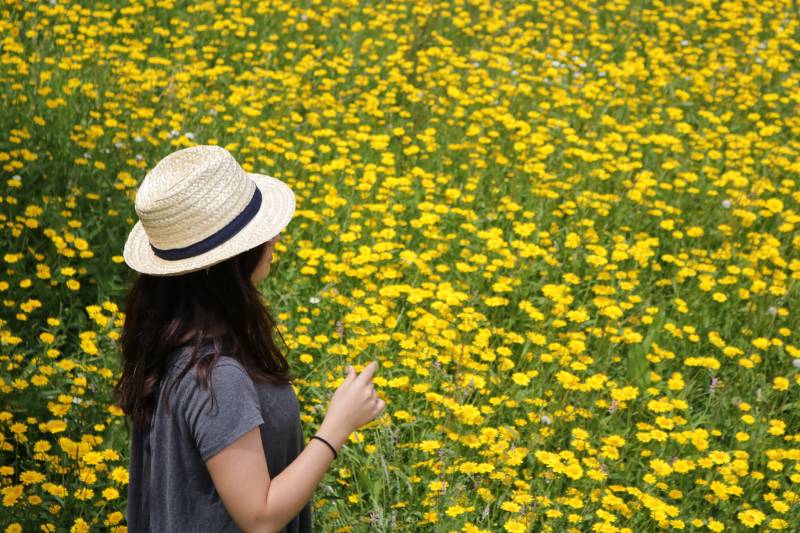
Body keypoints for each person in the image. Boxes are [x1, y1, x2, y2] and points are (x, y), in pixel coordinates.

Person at [115, 145, 386, 532]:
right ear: (230, 262)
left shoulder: (167, 343)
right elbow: (260, 516)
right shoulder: (216, 376)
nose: (275, 236)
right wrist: (336, 427)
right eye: (258, 233)